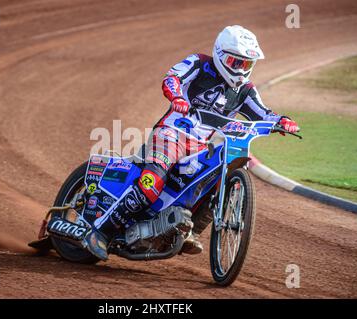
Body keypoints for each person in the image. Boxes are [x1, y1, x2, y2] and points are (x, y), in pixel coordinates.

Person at [85, 25, 299, 261]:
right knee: (150, 184)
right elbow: (172, 78)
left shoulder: (246, 90)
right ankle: (100, 233)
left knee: (218, 181)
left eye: (246, 64)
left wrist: (282, 121)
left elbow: (264, 113)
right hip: (172, 135)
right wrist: (177, 97)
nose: (241, 70)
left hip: (201, 147)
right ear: (219, 54)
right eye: (235, 62)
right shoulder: (199, 63)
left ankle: (190, 231)